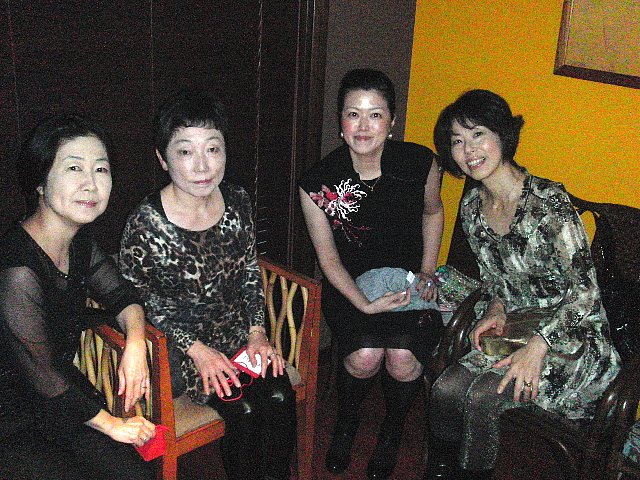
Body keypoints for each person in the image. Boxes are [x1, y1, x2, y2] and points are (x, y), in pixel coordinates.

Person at [425, 89, 621, 479]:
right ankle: (442, 470)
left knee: (484, 396)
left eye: (478, 134)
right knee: (446, 389)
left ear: (502, 135)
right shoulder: (472, 208)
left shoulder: (549, 203)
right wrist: (496, 308)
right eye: (457, 141)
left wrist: (538, 346)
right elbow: (494, 279)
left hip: (573, 337)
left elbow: (586, 292)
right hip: (518, 326)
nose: (468, 149)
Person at [118, 90, 296, 480]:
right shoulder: (146, 222)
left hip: (236, 333)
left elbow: (249, 271)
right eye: (185, 152)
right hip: (179, 348)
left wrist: (258, 333)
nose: (202, 165)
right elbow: (137, 301)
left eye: (213, 149)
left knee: (281, 395)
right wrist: (197, 350)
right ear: (163, 159)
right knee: (244, 410)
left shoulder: (238, 200)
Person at [299, 68, 444, 479]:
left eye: (375, 114)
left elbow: (433, 212)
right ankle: (346, 423)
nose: (363, 126)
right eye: (353, 114)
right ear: (340, 122)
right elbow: (328, 260)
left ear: (392, 122)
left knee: (402, 359)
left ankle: (392, 430)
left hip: (408, 282)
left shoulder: (420, 164)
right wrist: (363, 303)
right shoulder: (317, 183)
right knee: (365, 357)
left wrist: (428, 269)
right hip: (350, 287)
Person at [0, 115, 155, 480]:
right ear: (40, 182)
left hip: (61, 392)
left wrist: (136, 343)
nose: (91, 184)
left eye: (101, 169)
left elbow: (123, 296)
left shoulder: (79, 242)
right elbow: (41, 376)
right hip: (12, 415)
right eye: (74, 168)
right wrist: (112, 425)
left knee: (135, 474)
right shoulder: (17, 268)